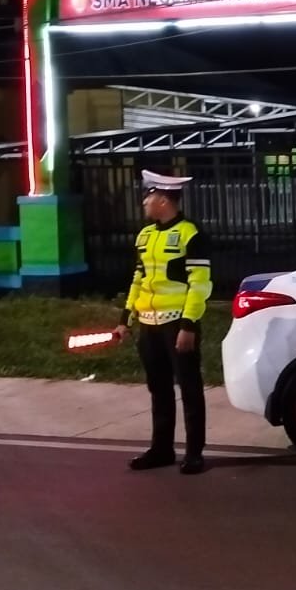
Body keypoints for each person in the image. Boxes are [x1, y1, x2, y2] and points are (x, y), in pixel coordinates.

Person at [113, 170, 212, 473]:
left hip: (176, 324)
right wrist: (125, 320)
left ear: (163, 200)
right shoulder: (144, 235)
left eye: (149, 196)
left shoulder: (190, 234)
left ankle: (194, 453)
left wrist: (189, 325)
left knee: (190, 389)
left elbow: (200, 284)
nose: (144, 202)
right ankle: (161, 449)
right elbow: (138, 279)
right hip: (149, 325)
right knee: (159, 389)